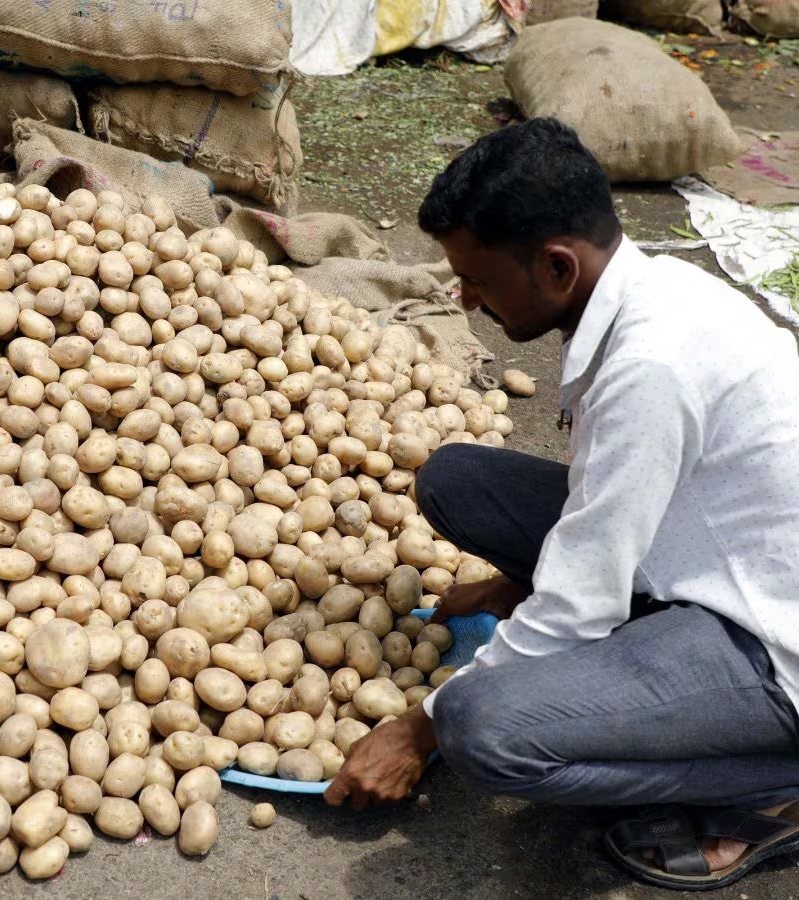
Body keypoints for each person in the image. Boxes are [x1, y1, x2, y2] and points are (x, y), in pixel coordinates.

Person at [324, 117, 799, 891]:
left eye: (476, 280)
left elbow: (583, 599)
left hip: (771, 640)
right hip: (706, 552)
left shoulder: (651, 364)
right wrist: (519, 587)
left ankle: (766, 784)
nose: (464, 301)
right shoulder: (648, 289)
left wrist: (420, 729)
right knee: (455, 478)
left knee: (482, 733)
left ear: (555, 267)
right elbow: (616, 507)